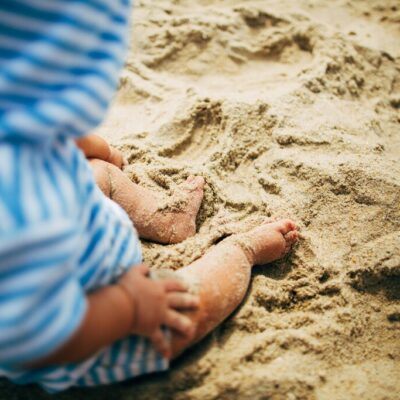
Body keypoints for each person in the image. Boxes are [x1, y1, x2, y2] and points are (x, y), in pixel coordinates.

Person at [0, 0, 299, 393]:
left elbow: (55, 137)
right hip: (86, 328)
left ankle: (164, 218)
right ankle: (241, 252)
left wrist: (95, 148)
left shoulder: (19, 124)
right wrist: (129, 306)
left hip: (81, 230)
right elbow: (35, 339)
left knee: (97, 172)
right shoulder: (17, 218)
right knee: (183, 315)